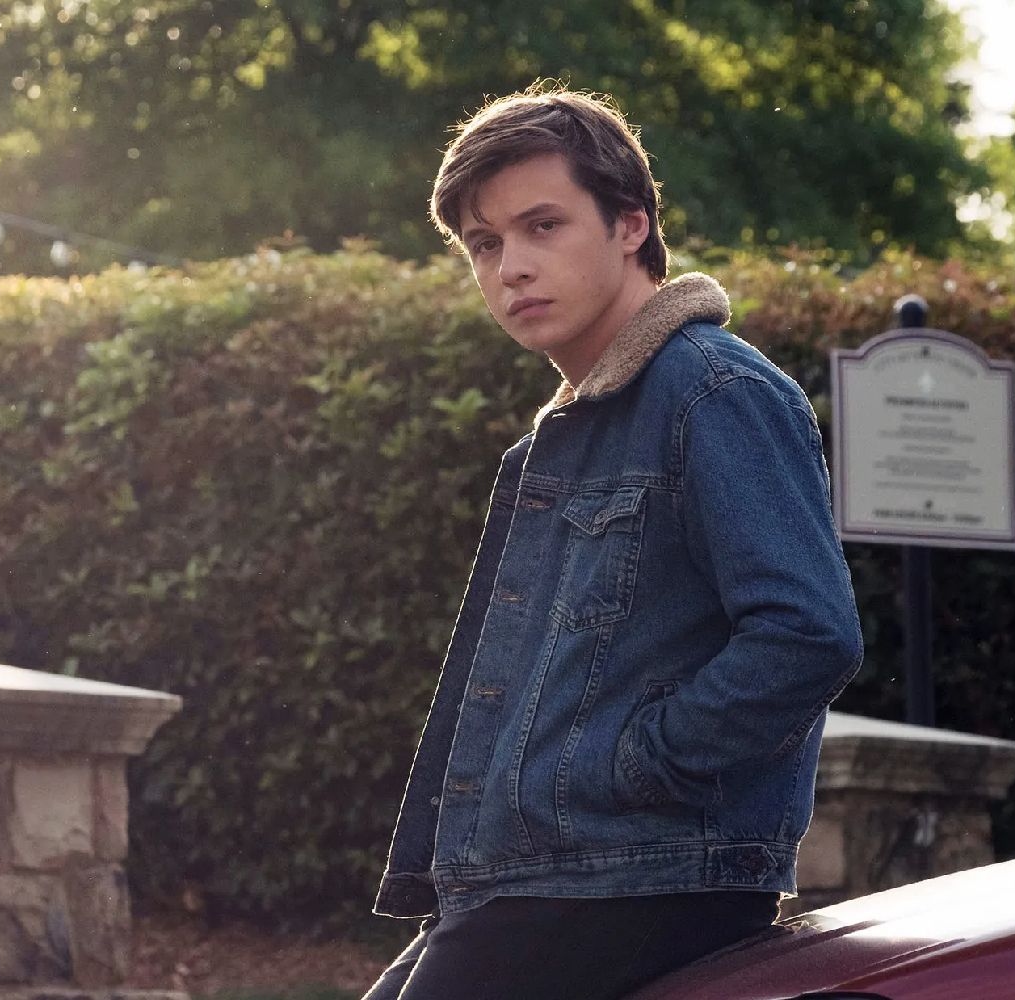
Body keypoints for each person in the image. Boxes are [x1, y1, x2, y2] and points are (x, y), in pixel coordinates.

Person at [364, 84, 865, 1000]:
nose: (510, 266)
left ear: (630, 225)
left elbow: (807, 634)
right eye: (485, 244)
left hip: (637, 878)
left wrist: (630, 765)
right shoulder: (557, 441)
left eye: (542, 226)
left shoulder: (713, 391)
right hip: (532, 880)